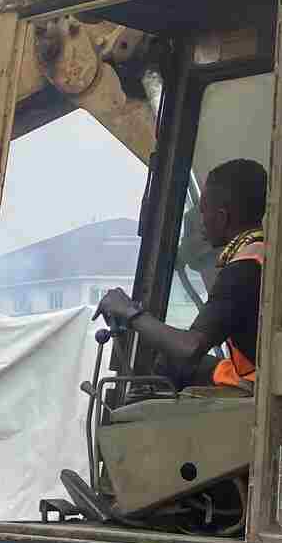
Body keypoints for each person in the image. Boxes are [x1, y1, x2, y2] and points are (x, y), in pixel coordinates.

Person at [97, 157, 269, 390]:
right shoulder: (262, 253)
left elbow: (190, 348)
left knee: (174, 363)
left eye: (203, 212)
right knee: (171, 363)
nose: (201, 222)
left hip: (257, 386)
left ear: (221, 218)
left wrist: (129, 312)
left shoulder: (242, 269)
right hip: (258, 373)